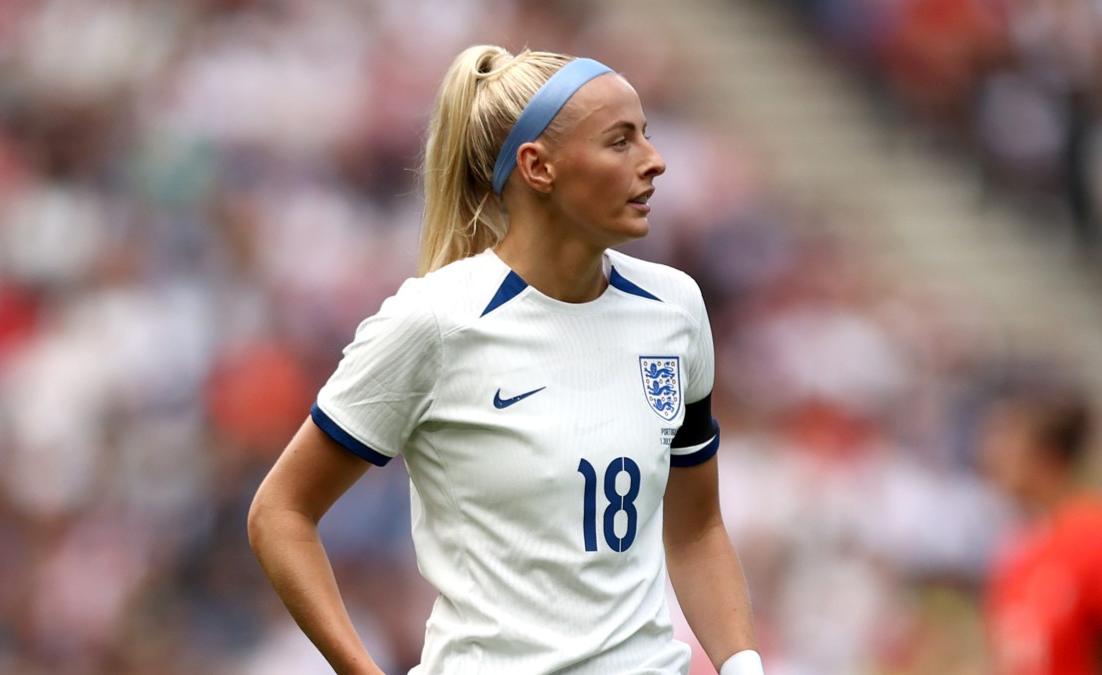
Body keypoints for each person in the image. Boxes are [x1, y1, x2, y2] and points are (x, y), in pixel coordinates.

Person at [247, 44, 762, 675]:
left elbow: (697, 527)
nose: (655, 162)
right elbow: (281, 513)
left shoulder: (674, 307)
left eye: (646, 136)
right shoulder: (435, 322)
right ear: (537, 167)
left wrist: (743, 666)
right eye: (620, 141)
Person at [979, 378, 1102, 675]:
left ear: (1047, 455)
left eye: (1007, 441)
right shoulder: (1021, 547)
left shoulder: (1090, 539)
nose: (991, 456)